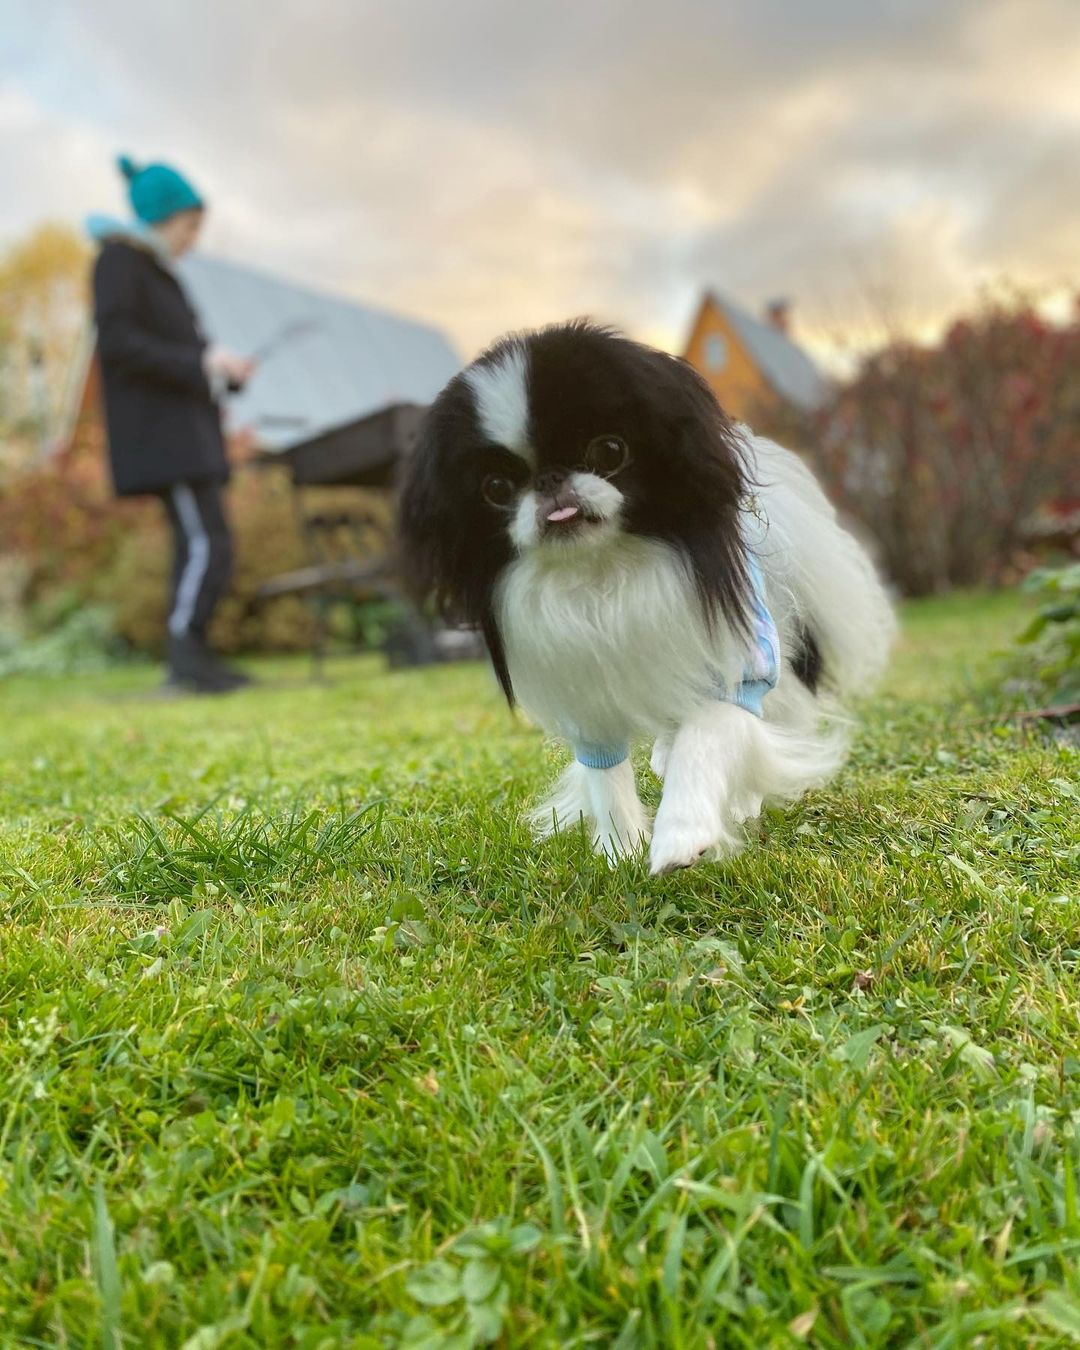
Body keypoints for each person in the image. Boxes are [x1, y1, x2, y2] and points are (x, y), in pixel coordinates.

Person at [87, 155, 255, 693]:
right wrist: (199, 361)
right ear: (161, 218)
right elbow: (118, 343)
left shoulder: (162, 275)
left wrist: (223, 370)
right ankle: (186, 660)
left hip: (190, 435)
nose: (193, 239)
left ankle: (193, 657)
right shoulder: (118, 262)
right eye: (189, 226)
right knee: (207, 544)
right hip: (164, 440)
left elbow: (188, 353)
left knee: (203, 544)